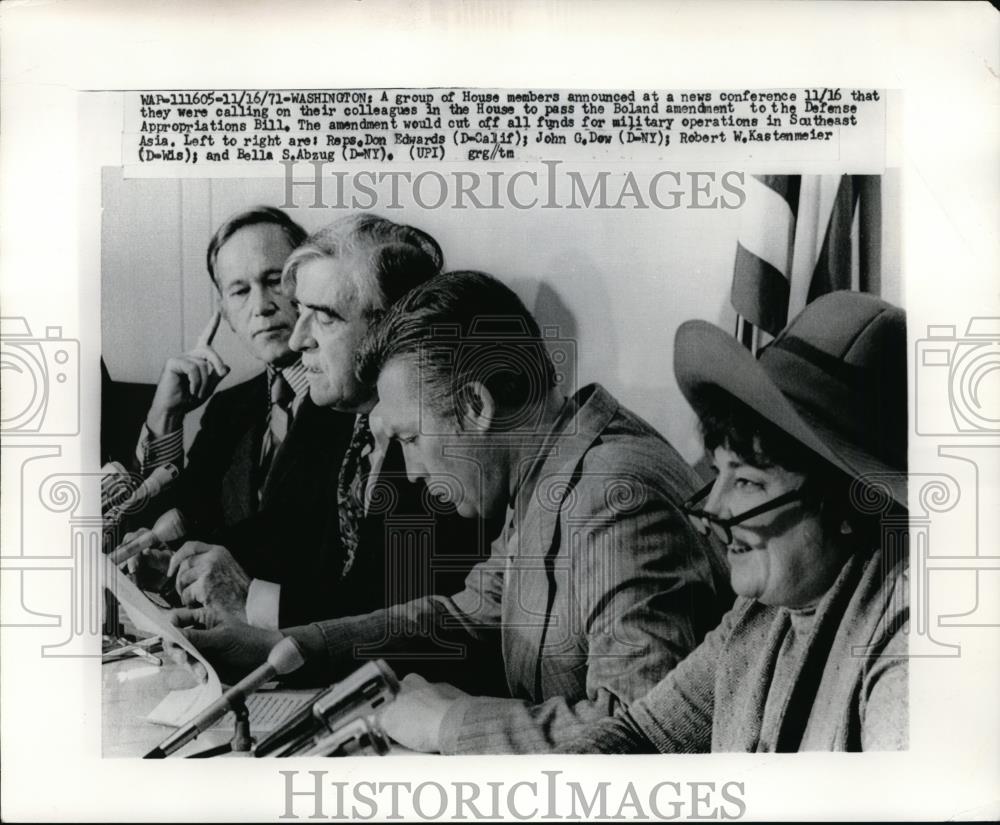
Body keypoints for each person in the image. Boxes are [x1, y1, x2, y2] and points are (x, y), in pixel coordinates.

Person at [172, 270, 732, 754]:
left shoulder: (615, 501)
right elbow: (464, 614)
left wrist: (448, 722)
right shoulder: (551, 463)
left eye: (413, 438)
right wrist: (289, 647)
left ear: (475, 405)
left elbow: (647, 734)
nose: (412, 472)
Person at [558, 290, 909, 753]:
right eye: (718, 472)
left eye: (747, 482)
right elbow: (639, 734)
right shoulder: (758, 616)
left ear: (849, 505)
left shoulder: (907, 649)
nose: (714, 512)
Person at [165, 215, 487, 628]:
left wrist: (251, 600)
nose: (299, 341)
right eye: (301, 312)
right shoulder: (338, 415)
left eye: (324, 317)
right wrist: (188, 562)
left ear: (390, 329)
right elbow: (282, 531)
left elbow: (396, 616)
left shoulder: (441, 440)